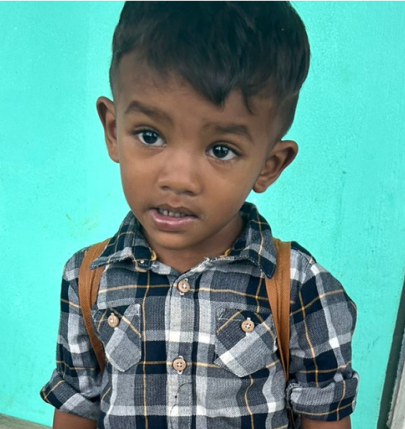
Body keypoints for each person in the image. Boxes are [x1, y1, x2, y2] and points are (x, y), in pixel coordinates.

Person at [41, 1, 358, 427]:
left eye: (220, 150)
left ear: (269, 165)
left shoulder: (299, 289)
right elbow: (77, 404)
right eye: (150, 135)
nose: (179, 179)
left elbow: (324, 415)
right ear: (113, 131)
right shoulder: (87, 280)